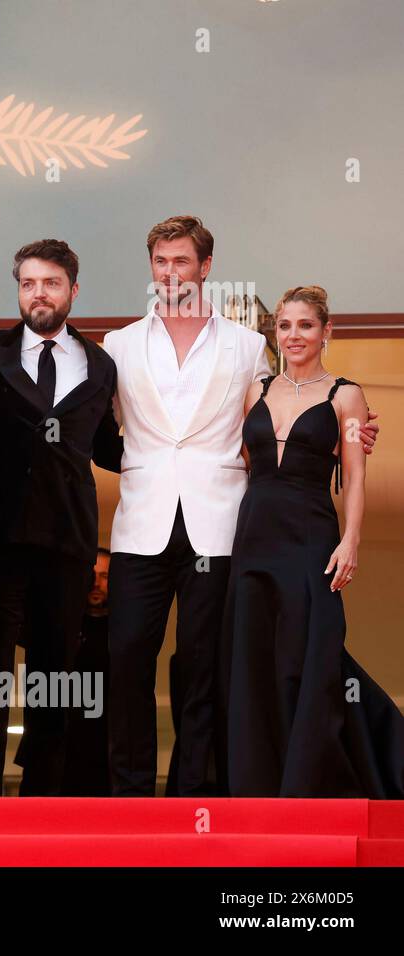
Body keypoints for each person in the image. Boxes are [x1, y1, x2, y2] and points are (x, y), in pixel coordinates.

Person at [103, 216, 380, 797]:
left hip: (223, 527)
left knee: (203, 668)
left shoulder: (248, 346)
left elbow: (280, 424)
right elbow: (95, 427)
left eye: (182, 261)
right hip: (140, 524)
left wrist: (353, 433)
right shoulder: (118, 345)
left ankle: (190, 797)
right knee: (127, 659)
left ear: (206, 268)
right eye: (161, 261)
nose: (170, 272)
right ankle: (128, 798)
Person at [222, 286, 403, 797]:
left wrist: (351, 541)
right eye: (284, 325)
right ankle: (259, 789)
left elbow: (357, 476)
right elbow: (239, 461)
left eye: (305, 325)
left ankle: (317, 782)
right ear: (275, 332)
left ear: (327, 332)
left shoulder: (346, 395)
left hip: (310, 539)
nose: (294, 335)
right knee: (256, 661)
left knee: (314, 656)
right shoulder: (255, 390)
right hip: (254, 538)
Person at [0, 240, 122, 796]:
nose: (38, 294)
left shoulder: (100, 365)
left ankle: (43, 803)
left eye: (50, 283)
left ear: (73, 289)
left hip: (69, 542)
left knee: (56, 677)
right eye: (28, 283)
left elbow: (108, 449)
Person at [61, 548, 112, 796]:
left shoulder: (123, 635)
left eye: (104, 576)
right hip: (62, 750)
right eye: (91, 575)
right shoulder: (61, 629)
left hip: (107, 753)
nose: (96, 583)